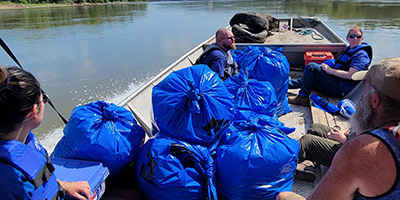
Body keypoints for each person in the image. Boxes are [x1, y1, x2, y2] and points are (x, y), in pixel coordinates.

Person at [277, 57, 400, 200]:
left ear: (374, 100)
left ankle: (276, 169)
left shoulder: (363, 150)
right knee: (316, 129)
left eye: (364, 90)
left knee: (283, 196)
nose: (360, 98)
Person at [0, 65, 91, 199]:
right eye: (44, 99)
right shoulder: (9, 180)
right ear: (33, 111)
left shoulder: (20, 138)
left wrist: (64, 186)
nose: (45, 102)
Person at [288, 26, 373, 106]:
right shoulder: (350, 49)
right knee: (309, 78)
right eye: (352, 36)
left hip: (340, 89)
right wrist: (325, 65)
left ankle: (302, 98)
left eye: (358, 36)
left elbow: (351, 75)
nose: (355, 38)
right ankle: (284, 85)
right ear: (347, 38)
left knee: (311, 67)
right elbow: (337, 62)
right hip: (336, 80)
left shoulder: (361, 55)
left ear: (361, 38)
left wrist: (330, 70)